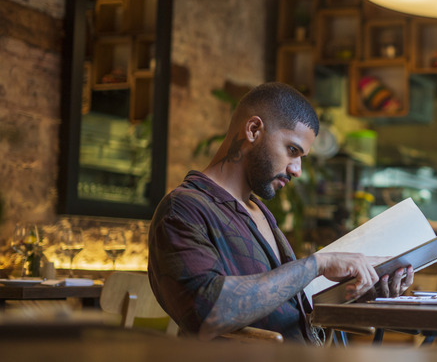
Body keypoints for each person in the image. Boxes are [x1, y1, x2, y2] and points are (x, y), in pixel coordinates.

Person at [148, 82, 413, 343]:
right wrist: (317, 264)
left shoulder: (259, 210)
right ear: (253, 130)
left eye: (301, 157)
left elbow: (284, 303)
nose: (296, 169)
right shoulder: (183, 209)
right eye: (292, 150)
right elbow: (206, 312)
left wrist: (365, 290)